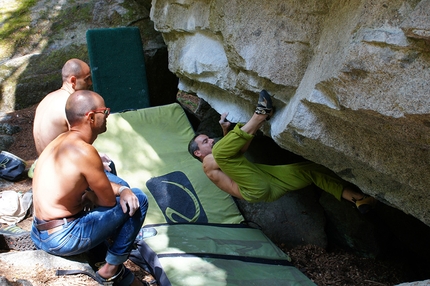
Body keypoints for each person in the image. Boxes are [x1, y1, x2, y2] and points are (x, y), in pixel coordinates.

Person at [188, 90, 377, 213]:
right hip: (253, 189)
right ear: (198, 153)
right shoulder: (207, 165)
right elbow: (223, 155)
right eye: (205, 141)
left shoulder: (220, 156)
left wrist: (227, 131)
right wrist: (228, 133)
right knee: (222, 150)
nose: (210, 140)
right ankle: (260, 114)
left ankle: (359, 199)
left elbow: (238, 152)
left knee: (310, 171)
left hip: (269, 185)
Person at [31, 90, 148, 285]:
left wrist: (117, 190)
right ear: (91, 117)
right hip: (63, 236)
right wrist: (94, 196)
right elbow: (108, 202)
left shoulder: (60, 141)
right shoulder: (84, 151)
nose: (108, 116)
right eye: (106, 112)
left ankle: (110, 244)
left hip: (41, 230)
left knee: (119, 184)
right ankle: (111, 268)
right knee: (138, 198)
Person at [31, 58, 125, 185]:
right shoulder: (70, 105)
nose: (90, 83)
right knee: (123, 187)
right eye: (86, 79)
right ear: (73, 80)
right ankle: (106, 203)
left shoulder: (48, 98)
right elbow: (77, 148)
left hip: (44, 165)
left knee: (108, 163)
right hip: (59, 173)